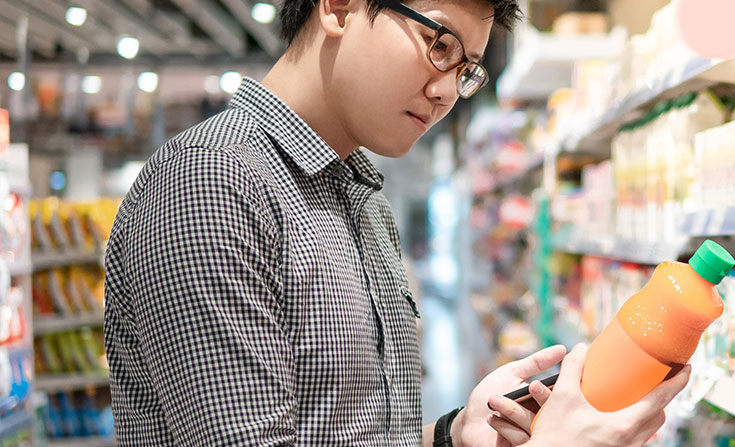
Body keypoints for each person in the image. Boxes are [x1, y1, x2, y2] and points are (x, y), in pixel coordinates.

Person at [99, 0, 689, 446]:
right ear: (338, 8)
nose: (445, 92)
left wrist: (454, 433)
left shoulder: (363, 200)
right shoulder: (213, 184)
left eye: (467, 69)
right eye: (439, 45)